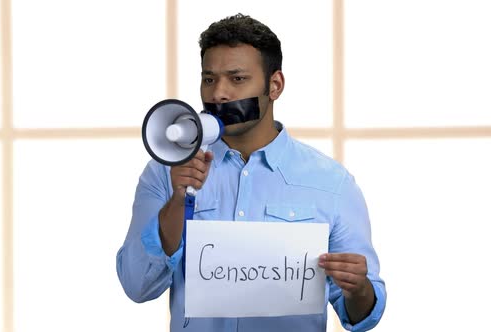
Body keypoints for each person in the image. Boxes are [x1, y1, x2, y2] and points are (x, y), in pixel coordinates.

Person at [116, 13, 386, 332]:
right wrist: (178, 200)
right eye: (209, 79)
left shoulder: (332, 183)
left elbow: (362, 313)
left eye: (237, 78)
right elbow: (137, 285)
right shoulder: (166, 171)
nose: (219, 94)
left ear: (275, 85)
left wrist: (359, 289)